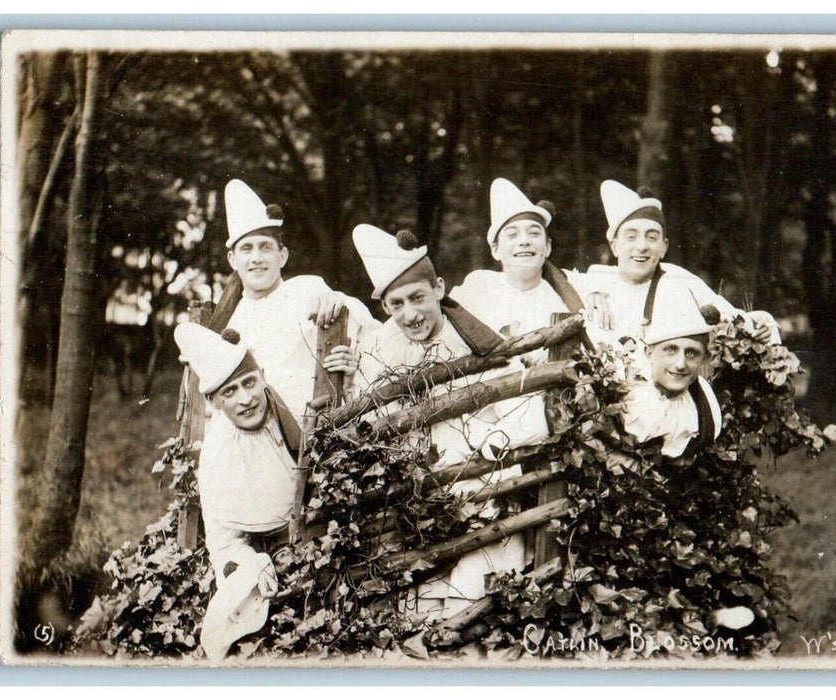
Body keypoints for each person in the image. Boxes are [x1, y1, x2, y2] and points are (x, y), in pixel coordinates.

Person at [352, 223, 548, 619]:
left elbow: (527, 418)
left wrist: (484, 450)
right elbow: (371, 427)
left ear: (439, 288)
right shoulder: (378, 350)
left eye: (418, 297)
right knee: (418, 613)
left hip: (487, 495)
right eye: (396, 304)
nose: (410, 314)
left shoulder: (479, 338)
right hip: (417, 509)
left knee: (471, 599)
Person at [173, 322, 302, 659]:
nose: (246, 399)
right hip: (272, 557)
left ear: (262, 376)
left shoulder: (292, 405)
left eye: (249, 383)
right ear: (215, 401)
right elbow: (225, 543)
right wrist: (251, 567)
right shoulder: (217, 462)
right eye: (229, 392)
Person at [217, 179, 378, 424]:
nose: (256, 258)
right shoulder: (232, 322)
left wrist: (336, 304)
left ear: (282, 256)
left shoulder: (307, 289)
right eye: (246, 249)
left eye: (266, 247)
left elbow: (369, 333)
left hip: (314, 430)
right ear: (232, 259)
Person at [575, 179, 780, 348]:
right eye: (631, 237)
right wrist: (592, 291)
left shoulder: (678, 279)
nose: (642, 246)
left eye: (652, 237)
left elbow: (729, 316)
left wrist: (756, 326)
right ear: (614, 246)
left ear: (664, 247)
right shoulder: (596, 282)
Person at [449, 178, 589, 361]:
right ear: (495, 250)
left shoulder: (565, 298)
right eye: (512, 235)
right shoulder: (477, 290)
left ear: (547, 247)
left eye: (534, 233)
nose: (524, 241)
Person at [620, 287, 723, 460]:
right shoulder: (625, 396)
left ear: (704, 359)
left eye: (691, 353)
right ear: (648, 353)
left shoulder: (702, 409)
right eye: (670, 350)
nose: (681, 364)